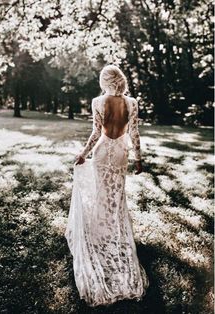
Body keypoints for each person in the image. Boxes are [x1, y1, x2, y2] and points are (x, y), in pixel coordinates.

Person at [65, 64, 149, 307]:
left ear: (105, 81)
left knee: (103, 194)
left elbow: (95, 134)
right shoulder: (131, 103)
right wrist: (138, 159)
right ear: (121, 80)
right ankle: (113, 230)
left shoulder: (97, 102)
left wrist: (83, 154)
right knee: (117, 196)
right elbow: (134, 133)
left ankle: (101, 232)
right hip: (121, 154)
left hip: (103, 153)